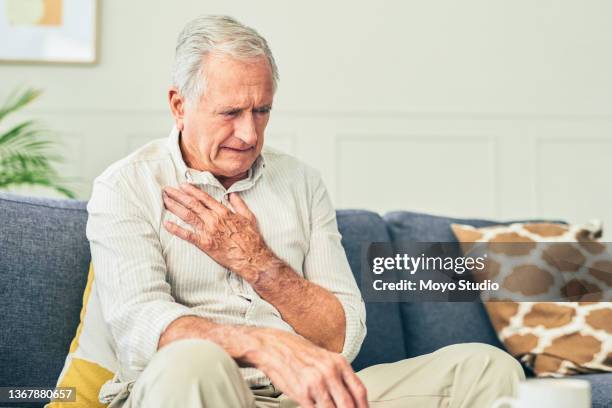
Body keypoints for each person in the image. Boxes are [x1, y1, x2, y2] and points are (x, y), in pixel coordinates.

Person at [87, 14, 525, 408]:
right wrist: (261, 345)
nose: (248, 132)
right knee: (191, 362)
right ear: (179, 106)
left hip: (302, 399)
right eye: (231, 112)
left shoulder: (301, 183)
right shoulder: (125, 186)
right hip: (191, 390)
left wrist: (258, 263)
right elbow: (140, 328)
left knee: (488, 370)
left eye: (262, 111)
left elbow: (342, 336)